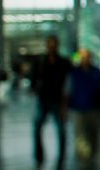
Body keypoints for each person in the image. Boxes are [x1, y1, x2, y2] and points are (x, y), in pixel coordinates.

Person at [32, 36, 71, 167]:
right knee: (37, 126)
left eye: (54, 44)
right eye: (50, 44)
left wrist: (66, 102)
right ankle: (39, 156)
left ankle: (61, 158)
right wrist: (35, 88)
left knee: (61, 129)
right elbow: (34, 77)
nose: (52, 47)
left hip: (58, 100)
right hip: (43, 99)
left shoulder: (64, 62)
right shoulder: (41, 61)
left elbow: (69, 81)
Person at [68, 48, 100, 168]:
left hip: (95, 109)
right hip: (79, 108)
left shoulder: (97, 72)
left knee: (94, 134)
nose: (85, 59)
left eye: (87, 57)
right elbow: (68, 89)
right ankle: (84, 157)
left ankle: (92, 155)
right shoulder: (74, 73)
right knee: (80, 135)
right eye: (83, 57)